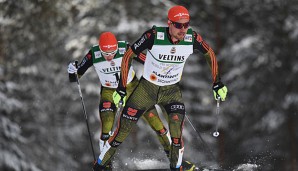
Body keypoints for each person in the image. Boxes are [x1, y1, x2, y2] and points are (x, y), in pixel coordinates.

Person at [93, 5, 228, 171]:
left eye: (186, 25)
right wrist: (121, 88)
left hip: (171, 91)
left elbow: (210, 53)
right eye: (178, 25)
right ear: (169, 23)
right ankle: (99, 166)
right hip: (147, 89)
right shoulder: (154, 35)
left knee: (176, 132)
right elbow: (129, 55)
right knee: (122, 131)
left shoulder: (191, 38)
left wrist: (217, 82)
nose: (183, 29)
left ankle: (177, 167)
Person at [68, 32, 196, 170]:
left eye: (113, 52)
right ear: (100, 49)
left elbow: (147, 60)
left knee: (158, 125)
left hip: (133, 89)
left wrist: (164, 72)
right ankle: (106, 165)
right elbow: (75, 76)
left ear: (117, 47)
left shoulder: (125, 49)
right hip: (109, 91)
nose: (110, 56)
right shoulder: (93, 54)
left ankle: (176, 161)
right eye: (106, 53)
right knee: (107, 124)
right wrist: (72, 71)